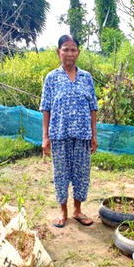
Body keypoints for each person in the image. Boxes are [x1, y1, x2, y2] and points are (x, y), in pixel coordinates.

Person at [40, 35, 98, 228]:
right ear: (59, 52)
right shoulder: (52, 78)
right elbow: (46, 108)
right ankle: (63, 212)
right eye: (65, 49)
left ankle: (77, 210)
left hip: (82, 135)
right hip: (59, 135)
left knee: (81, 174)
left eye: (73, 49)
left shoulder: (86, 78)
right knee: (61, 173)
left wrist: (94, 135)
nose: (69, 53)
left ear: (78, 53)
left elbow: (93, 108)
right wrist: (45, 137)